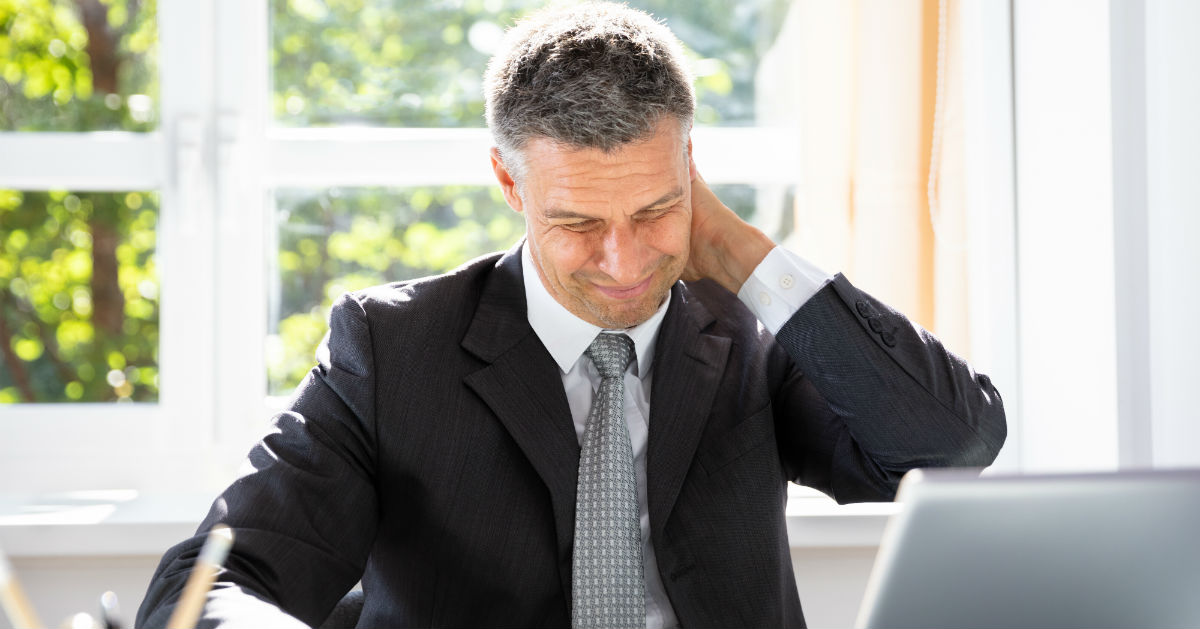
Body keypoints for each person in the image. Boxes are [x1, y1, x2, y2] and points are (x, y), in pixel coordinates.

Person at [136, 4, 1005, 628]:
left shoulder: (749, 332)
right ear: (510, 183)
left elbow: (949, 443)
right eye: (579, 223)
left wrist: (739, 254)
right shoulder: (392, 349)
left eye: (657, 211)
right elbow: (210, 579)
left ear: (691, 167)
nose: (625, 264)